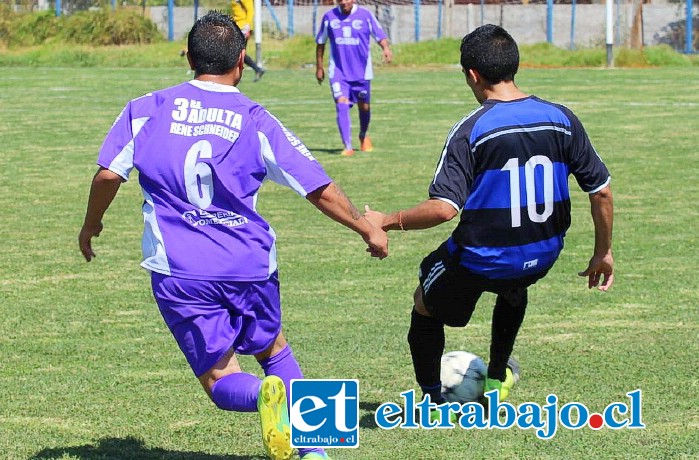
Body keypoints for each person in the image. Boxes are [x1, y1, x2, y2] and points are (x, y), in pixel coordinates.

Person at [78, 11, 387, 460]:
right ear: (241, 60)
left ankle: (264, 397)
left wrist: (91, 225)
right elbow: (316, 187)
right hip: (250, 264)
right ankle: (313, 450)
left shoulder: (146, 109)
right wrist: (366, 228)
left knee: (221, 378)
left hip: (182, 269)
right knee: (272, 344)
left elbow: (108, 175)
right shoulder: (255, 117)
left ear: (188, 57)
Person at [364, 24, 614, 412]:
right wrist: (603, 253)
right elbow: (600, 191)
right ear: (515, 65)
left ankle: (432, 399)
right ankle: (498, 376)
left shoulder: (471, 130)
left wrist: (387, 219)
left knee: (425, 302)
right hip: (543, 255)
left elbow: (444, 208)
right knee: (514, 284)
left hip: (481, 259)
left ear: (472, 75)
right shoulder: (561, 118)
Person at [315, 0, 393, 157]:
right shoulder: (329, 17)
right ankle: (348, 146)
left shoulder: (365, 15)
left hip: (361, 73)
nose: (344, 2)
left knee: (364, 107)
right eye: (340, 0)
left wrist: (385, 48)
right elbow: (320, 43)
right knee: (341, 104)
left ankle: (363, 135)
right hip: (338, 72)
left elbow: (379, 35)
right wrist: (319, 66)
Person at [231, 0, 266, 82]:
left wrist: (247, 25)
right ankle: (256, 70)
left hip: (243, 28)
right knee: (238, 52)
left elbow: (250, 10)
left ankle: (255, 70)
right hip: (237, 26)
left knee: (237, 51)